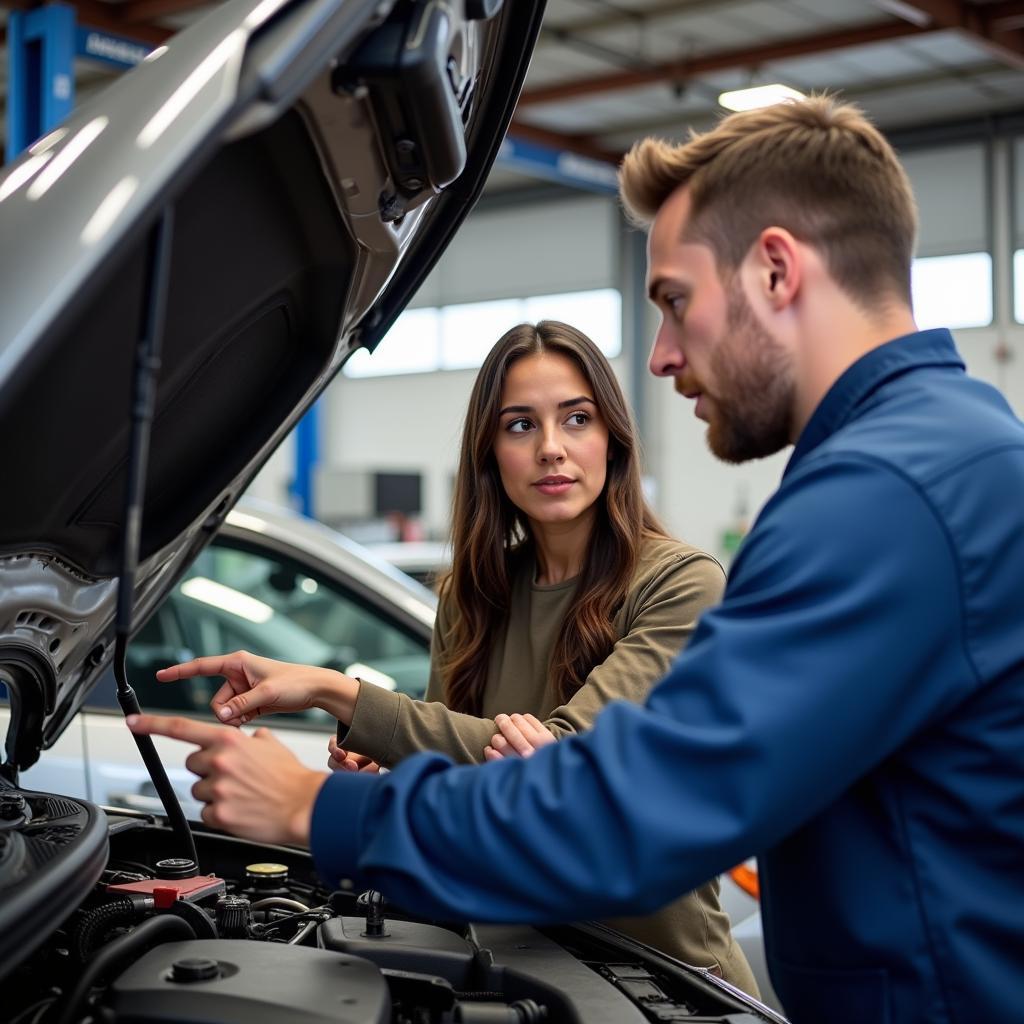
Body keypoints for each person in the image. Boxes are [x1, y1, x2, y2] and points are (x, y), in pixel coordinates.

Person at [129, 95, 1024, 1024]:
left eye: (675, 302)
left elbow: (636, 811)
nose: (666, 357)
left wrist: (317, 808)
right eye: (521, 426)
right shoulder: (940, 459)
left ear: (775, 269)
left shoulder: (887, 498)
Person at [147, 321, 757, 991]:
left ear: (613, 438)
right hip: (518, 966)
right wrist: (392, 763)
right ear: (490, 452)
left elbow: (568, 765)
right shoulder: (472, 599)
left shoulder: (681, 583)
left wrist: (339, 693)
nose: (552, 448)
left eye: (576, 419)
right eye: (520, 425)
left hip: (661, 980)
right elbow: (469, 797)